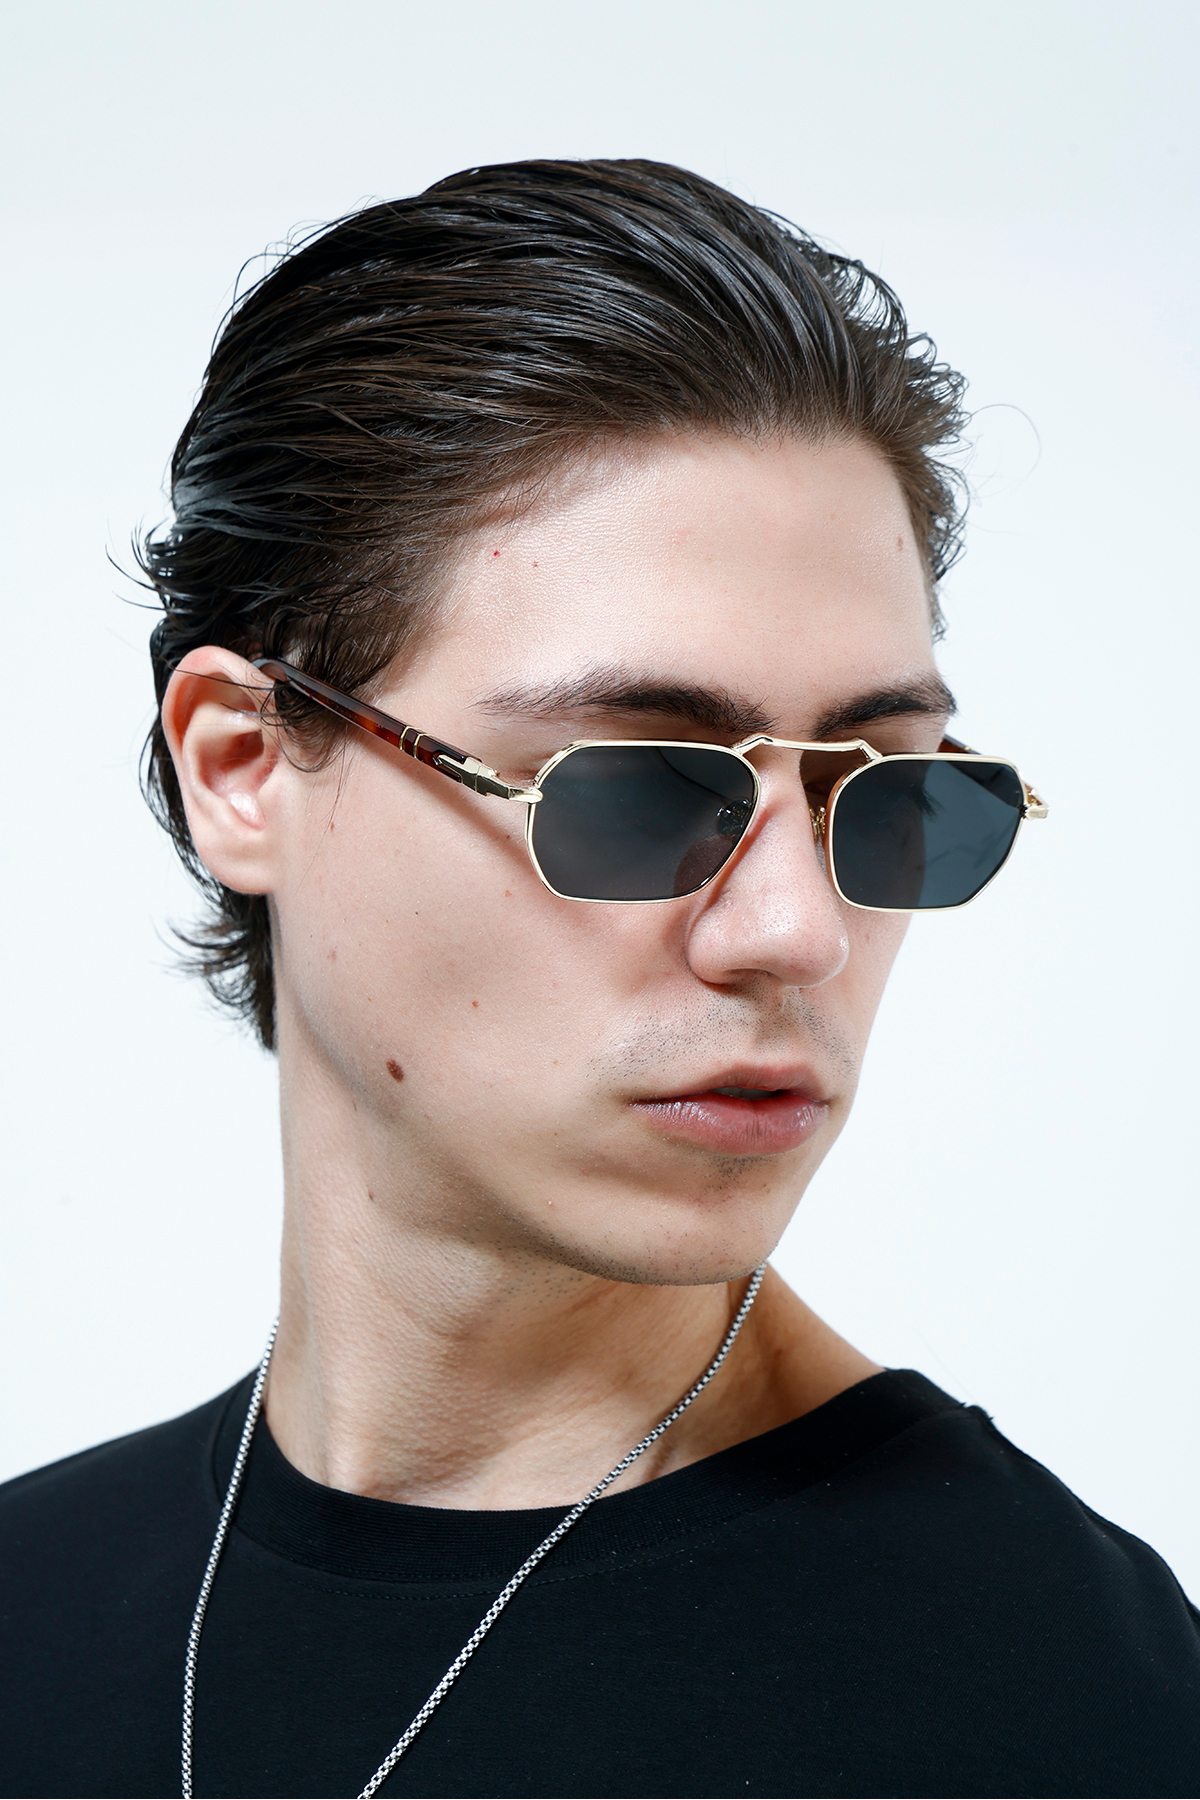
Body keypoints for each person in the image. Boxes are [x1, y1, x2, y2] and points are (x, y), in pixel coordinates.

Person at [1, 158, 1196, 1800]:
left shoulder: (1073, 1706)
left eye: (882, 796)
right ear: (246, 768)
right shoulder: (38, 1598)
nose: (794, 933)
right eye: (634, 790)